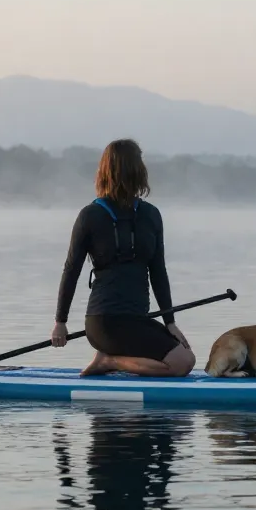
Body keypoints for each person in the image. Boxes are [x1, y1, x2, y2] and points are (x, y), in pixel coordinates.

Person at [51, 138, 195, 377]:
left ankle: (110, 358)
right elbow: (71, 269)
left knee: (186, 357)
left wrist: (170, 321)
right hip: (104, 322)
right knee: (182, 363)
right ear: (135, 169)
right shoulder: (91, 215)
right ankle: (108, 360)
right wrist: (60, 322)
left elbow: (158, 271)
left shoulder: (150, 215)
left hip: (138, 320)